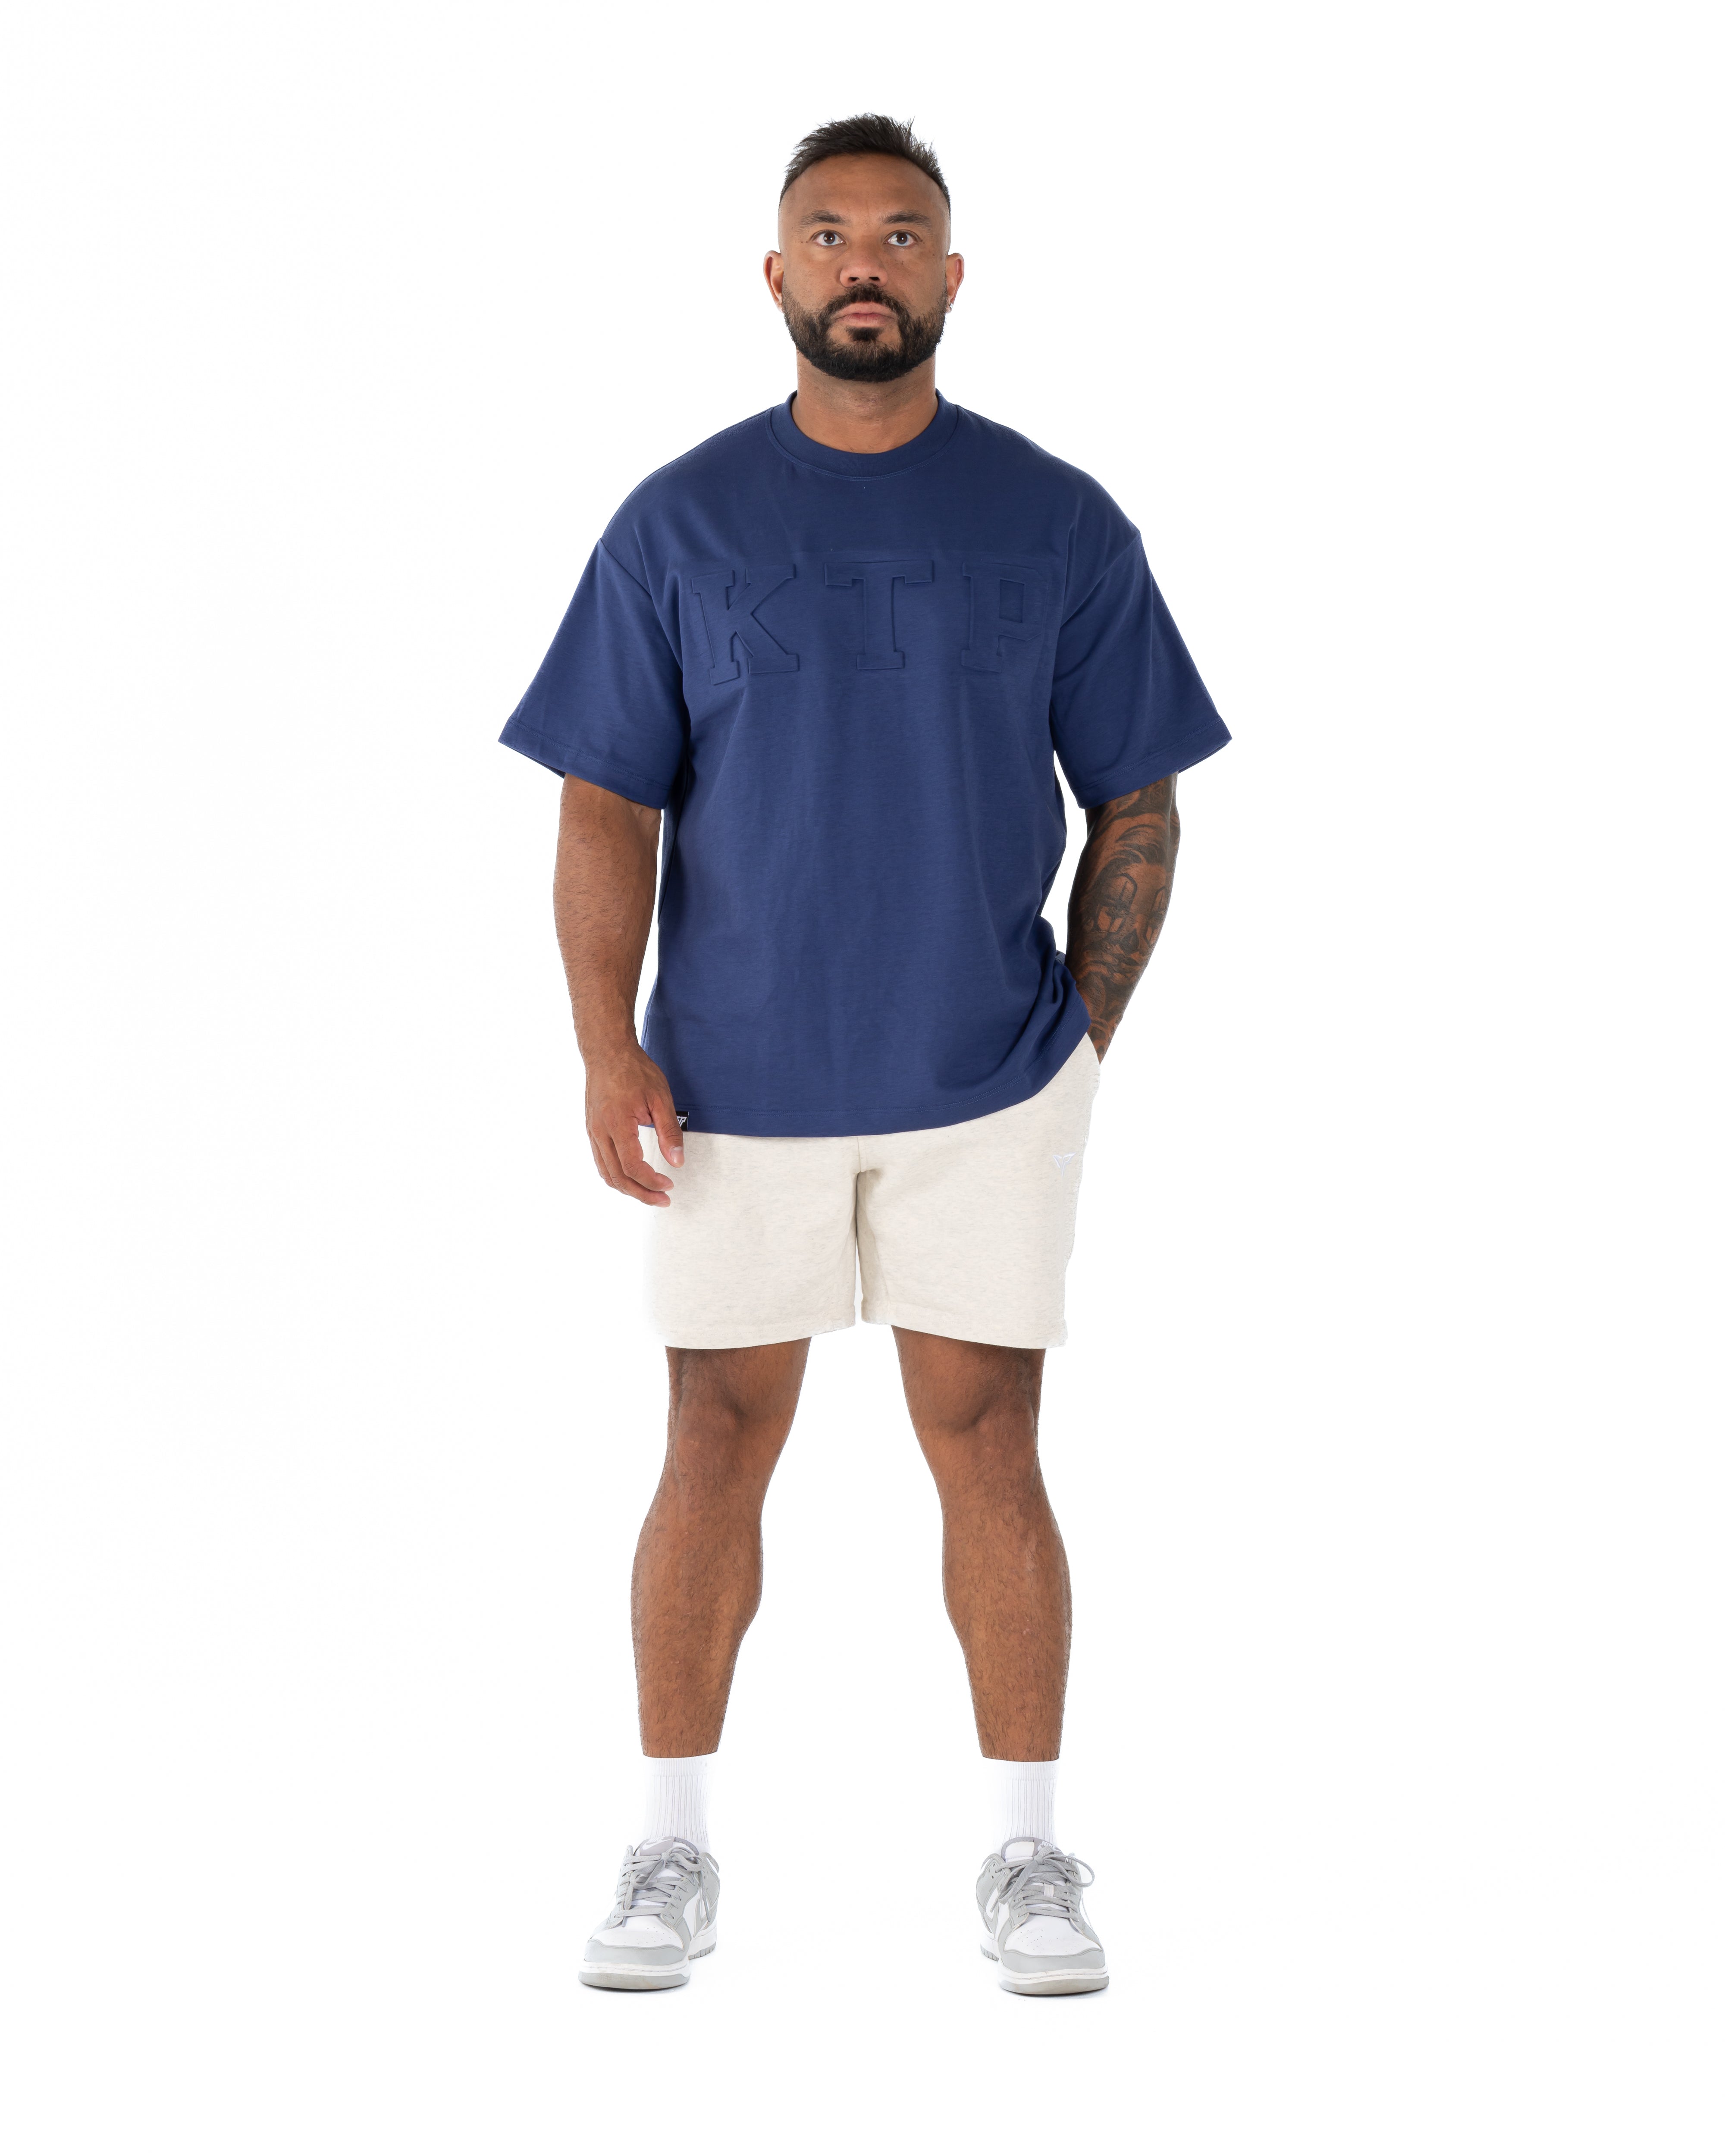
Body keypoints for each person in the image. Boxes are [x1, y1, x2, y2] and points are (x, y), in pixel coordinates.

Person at [499, 113, 1230, 1996]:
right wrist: (602, 1047)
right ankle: (667, 1847)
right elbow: (604, 800)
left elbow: (1139, 795)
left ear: (951, 275)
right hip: (732, 1080)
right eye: (826, 235)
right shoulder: (679, 523)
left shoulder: (1057, 520)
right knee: (710, 1438)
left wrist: (1079, 1039)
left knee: (990, 1444)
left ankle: (1029, 1859)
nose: (863, 265)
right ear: (775, 275)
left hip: (986, 1079)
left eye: (901, 235)